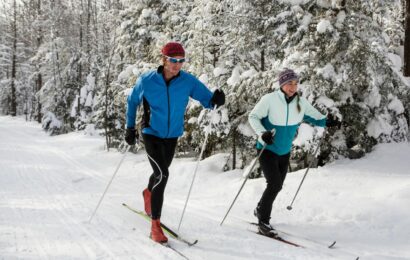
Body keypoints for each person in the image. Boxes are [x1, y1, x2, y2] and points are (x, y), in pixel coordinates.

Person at [124, 42, 225, 243]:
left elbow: (208, 100)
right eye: (173, 60)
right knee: (163, 174)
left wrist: (217, 99)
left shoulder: (187, 81)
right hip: (151, 132)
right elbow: (133, 101)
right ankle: (155, 226)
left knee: (159, 173)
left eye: (181, 61)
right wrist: (129, 127)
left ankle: (148, 193)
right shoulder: (148, 80)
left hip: (172, 135)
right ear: (164, 59)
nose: (177, 65)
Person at [248, 68, 340, 237]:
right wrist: (262, 133)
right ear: (282, 84)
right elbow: (253, 117)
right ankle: (263, 221)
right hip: (267, 149)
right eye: (289, 83)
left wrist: (328, 121)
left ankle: (260, 208)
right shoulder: (269, 99)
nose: (293, 87)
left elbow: (316, 117)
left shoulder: (300, 102)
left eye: (296, 83)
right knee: (274, 184)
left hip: (284, 151)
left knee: (278, 185)